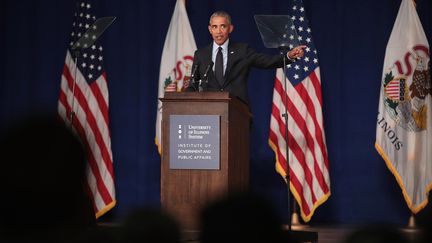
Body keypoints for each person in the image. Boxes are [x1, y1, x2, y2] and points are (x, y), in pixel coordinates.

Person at [187, 10, 306, 104]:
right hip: (208, 111)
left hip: (237, 110)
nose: (218, 31)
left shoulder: (242, 50)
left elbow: (267, 61)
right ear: (210, 29)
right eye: (215, 27)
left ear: (230, 28)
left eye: (223, 26)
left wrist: (289, 56)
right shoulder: (200, 54)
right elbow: (193, 84)